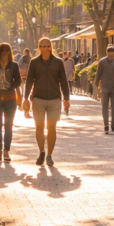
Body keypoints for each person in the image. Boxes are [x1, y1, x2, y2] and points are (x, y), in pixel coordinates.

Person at [23, 37, 70, 166]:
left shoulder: (58, 62)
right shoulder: (34, 62)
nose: (45, 48)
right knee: (39, 126)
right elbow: (29, 81)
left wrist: (66, 99)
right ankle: (42, 152)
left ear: (51, 47)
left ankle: (49, 155)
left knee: (52, 127)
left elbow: (63, 81)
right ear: (39, 47)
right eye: (42, 46)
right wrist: (26, 98)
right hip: (38, 99)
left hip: (54, 99)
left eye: (47, 46)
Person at [94, 45, 114, 134]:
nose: (111, 55)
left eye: (112, 54)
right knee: (105, 106)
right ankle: (106, 125)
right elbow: (98, 74)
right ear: (107, 53)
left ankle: (113, 125)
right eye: (109, 54)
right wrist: (96, 87)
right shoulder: (102, 62)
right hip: (105, 87)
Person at [62, 52, 75, 116]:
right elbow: (73, 68)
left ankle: (65, 108)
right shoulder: (71, 61)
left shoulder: (63, 62)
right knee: (68, 83)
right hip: (68, 75)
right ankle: (66, 108)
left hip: (64, 76)